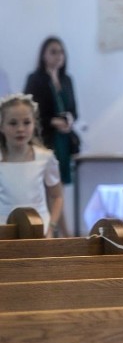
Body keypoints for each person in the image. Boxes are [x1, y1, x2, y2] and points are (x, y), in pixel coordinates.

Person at [0, 94, 63, 237]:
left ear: (34, 124)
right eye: (13, 123)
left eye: (26, 122)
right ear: (1, 126)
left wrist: (51, 226)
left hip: (40, 228)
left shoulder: (45, 158)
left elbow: (57, 196)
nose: (20, 129)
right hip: (3, 230)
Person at [24, 37, 79, 190]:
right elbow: (29, 111)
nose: (58, 56)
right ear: (44, 55)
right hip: (46, 137)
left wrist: (69, 119)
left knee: (60, 185)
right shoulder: (36, 79)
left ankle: (59, 213)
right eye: (53, 52)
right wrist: (53, 121)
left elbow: (74, 109)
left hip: (64, 138)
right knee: (46, 183)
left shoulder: (66, 79)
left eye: (61, 52)